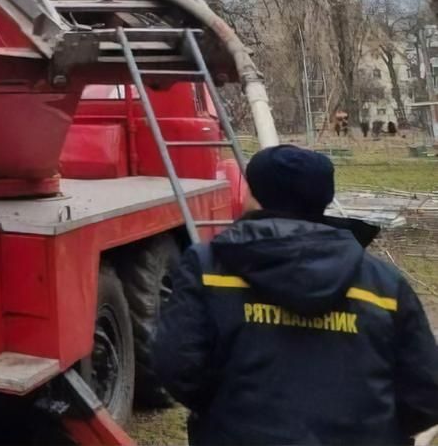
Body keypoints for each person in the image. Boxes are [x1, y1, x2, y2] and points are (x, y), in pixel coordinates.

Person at [153, 144, 438, 445]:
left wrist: (226, 415)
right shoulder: (383, 284)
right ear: (324, 199)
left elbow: (176, 365)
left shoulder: (208, 268)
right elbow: (426, 392)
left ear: (253, 195)